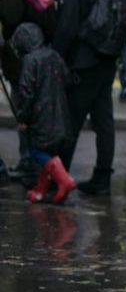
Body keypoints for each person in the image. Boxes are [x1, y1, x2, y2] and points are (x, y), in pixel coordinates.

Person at [53, 0, 121, 195]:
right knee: (104, 122)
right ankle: (102, 178)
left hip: (83, 62)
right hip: (106, 59)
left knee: (71, 122)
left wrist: (56, 55)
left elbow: (67, 27)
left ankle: (59, 178)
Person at [1, 0, 54, 186]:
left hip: (17, 56)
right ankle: (34, 161)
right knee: (32, 107)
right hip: (36, 51)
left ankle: (30, 162)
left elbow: (9, 16)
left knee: (23, 109)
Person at [12, 23, 75, 204]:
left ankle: (64, 180)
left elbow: (26, 93)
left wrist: (23, 118)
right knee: (49, 151)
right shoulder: (53, 55)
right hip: (60, 114)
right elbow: (67, 78)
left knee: (36, 151)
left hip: (40, 117)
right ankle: (40, 189)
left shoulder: (30, 61)